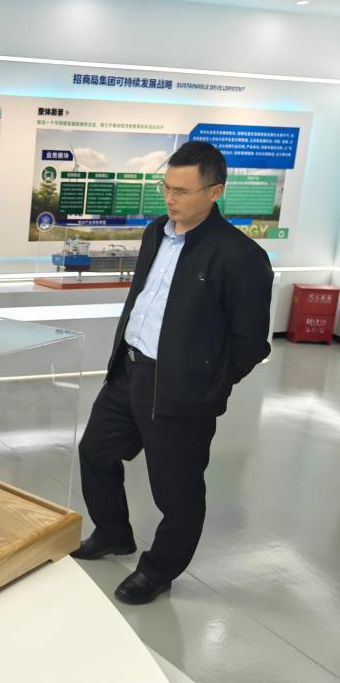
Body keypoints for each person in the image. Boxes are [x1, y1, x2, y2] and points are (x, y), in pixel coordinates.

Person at [71, 140, 273, 605]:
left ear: (215, 192)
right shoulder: (155, 233)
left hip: (183, 391)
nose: (170, 199)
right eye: (166, 187)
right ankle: (113, 533)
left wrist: (206, 382)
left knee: (176, 490)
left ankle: (158, 570)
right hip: (129, 373)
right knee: (95, 452)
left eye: (181, 191)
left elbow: (250, 343)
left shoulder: (240, 256)